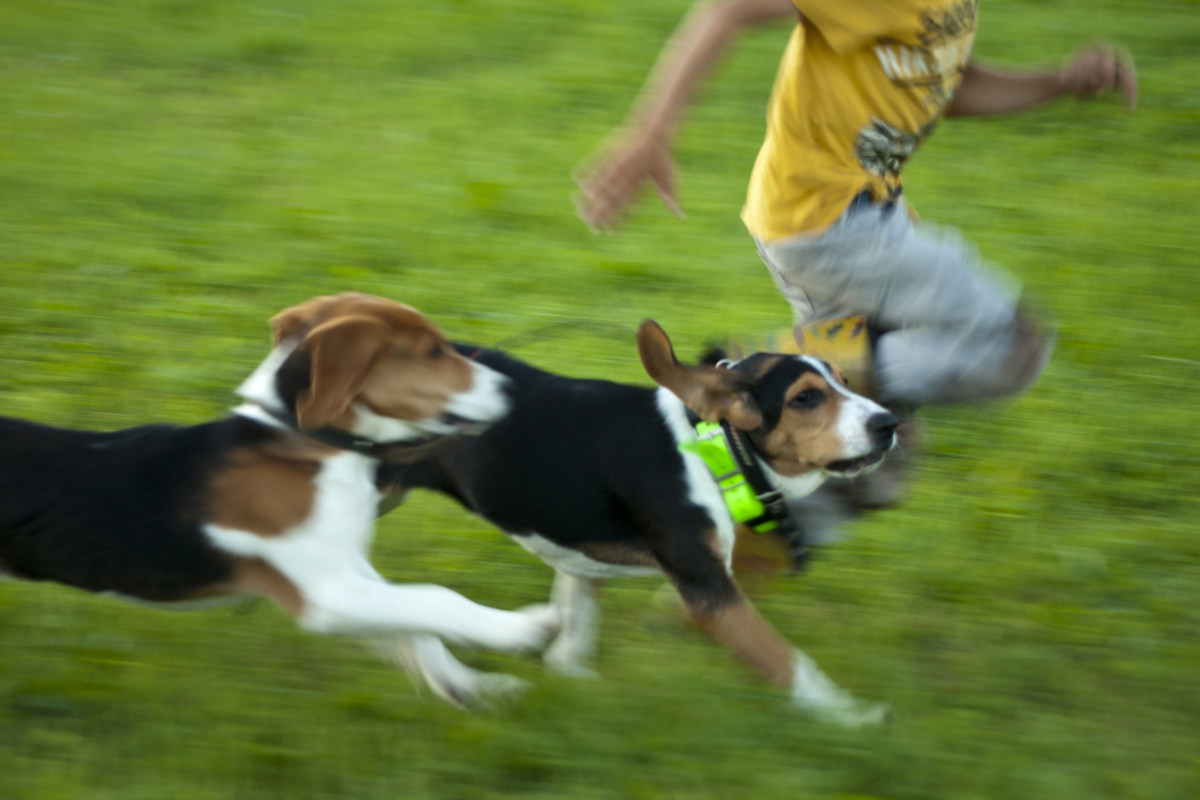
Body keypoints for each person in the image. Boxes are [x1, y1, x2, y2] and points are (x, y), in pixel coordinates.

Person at [575, 0, 1136, 548]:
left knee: (871, 455)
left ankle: (721, 566)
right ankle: (796, 368)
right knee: (1011, 345)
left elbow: (947, 84)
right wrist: (650, 133)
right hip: (830, 226)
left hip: (847, 222)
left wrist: (1059, 82)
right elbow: (728, 8)